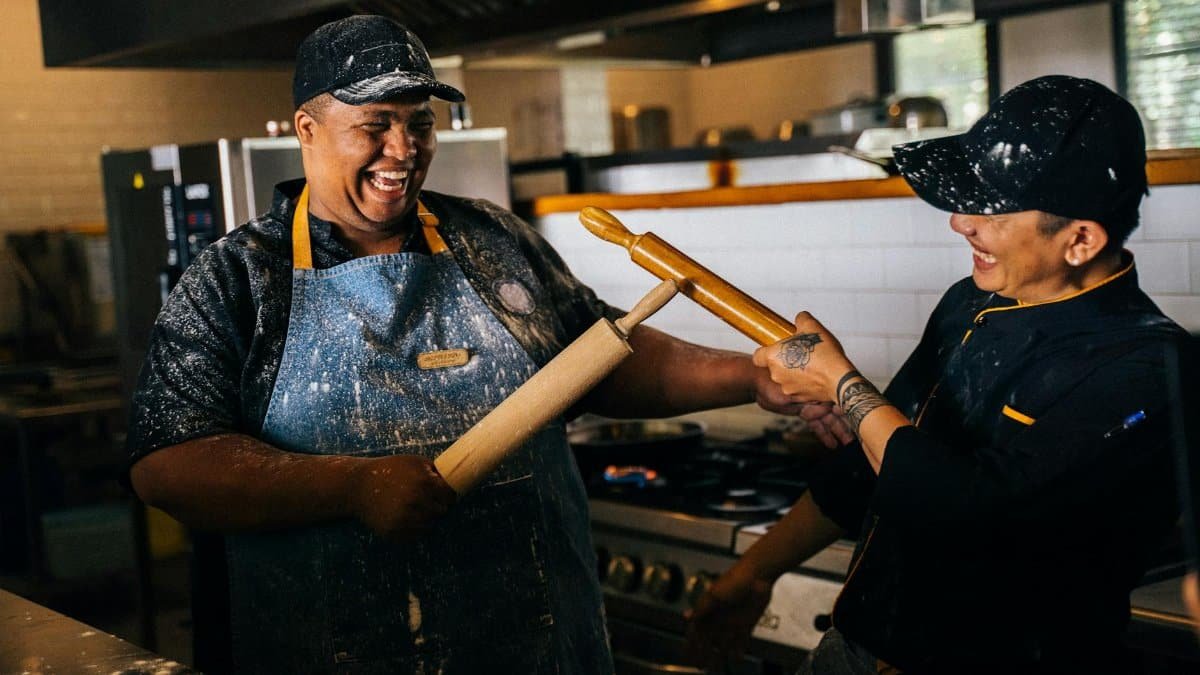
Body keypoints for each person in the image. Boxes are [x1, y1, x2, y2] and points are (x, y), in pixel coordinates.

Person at [126, 15, 803, 675]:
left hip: (535, 645)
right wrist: (352, 485)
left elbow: (599, 360)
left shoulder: (490, 240)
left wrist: (752, 376)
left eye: (419, 121)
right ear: (308, 128)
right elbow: (169, 461)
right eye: (375, 125)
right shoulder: (238, 278)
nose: (404, 148)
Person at [686, 75, 1191, 674]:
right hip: (853, 651)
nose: (961, 222)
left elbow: (966, 510)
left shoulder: (1148, 368)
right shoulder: (969, 303)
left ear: (1080, 240)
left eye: (993, 209)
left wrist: (844, 389)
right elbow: (866, 471)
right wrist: (753, 572)